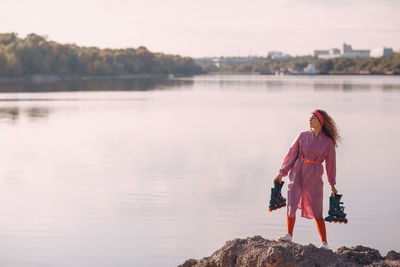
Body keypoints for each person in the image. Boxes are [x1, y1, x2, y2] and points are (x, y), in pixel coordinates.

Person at [273, 109, 341, 250]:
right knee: (291, 203)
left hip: (314, 177)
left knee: (317, 208)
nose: (309, 121)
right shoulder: (302, 136)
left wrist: (332, 183)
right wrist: (282, 173)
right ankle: (289, 235)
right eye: (310, 119)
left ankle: (324, 242)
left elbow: (331, 164)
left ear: (320, 122)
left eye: (313, 119)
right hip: (297, 173)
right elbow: (291, 155)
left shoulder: (328, 143)